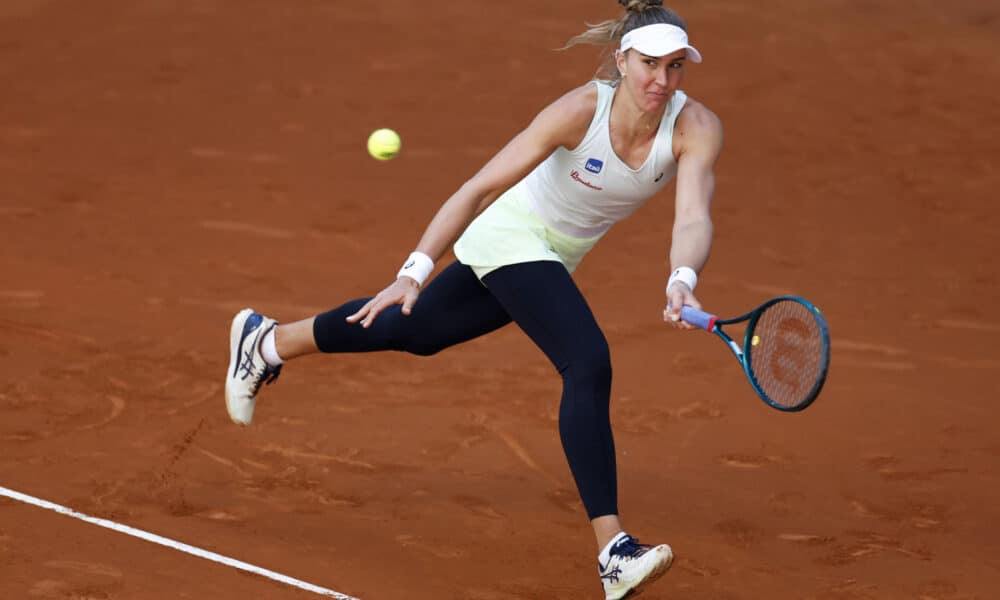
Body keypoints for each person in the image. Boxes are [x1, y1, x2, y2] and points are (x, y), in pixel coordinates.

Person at [225, 1, 721, 597]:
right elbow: (480, 186)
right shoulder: (580, 110)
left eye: (674, 68)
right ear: (621, 60)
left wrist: (682, 276)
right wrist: (413, 268)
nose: (661, 82)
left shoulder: (696, 127)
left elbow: (693, 215)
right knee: (586, 360)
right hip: (510, 236)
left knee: (418, 332)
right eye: (648, 65)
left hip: (554, 254)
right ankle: (614, 549)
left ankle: (268, 341)